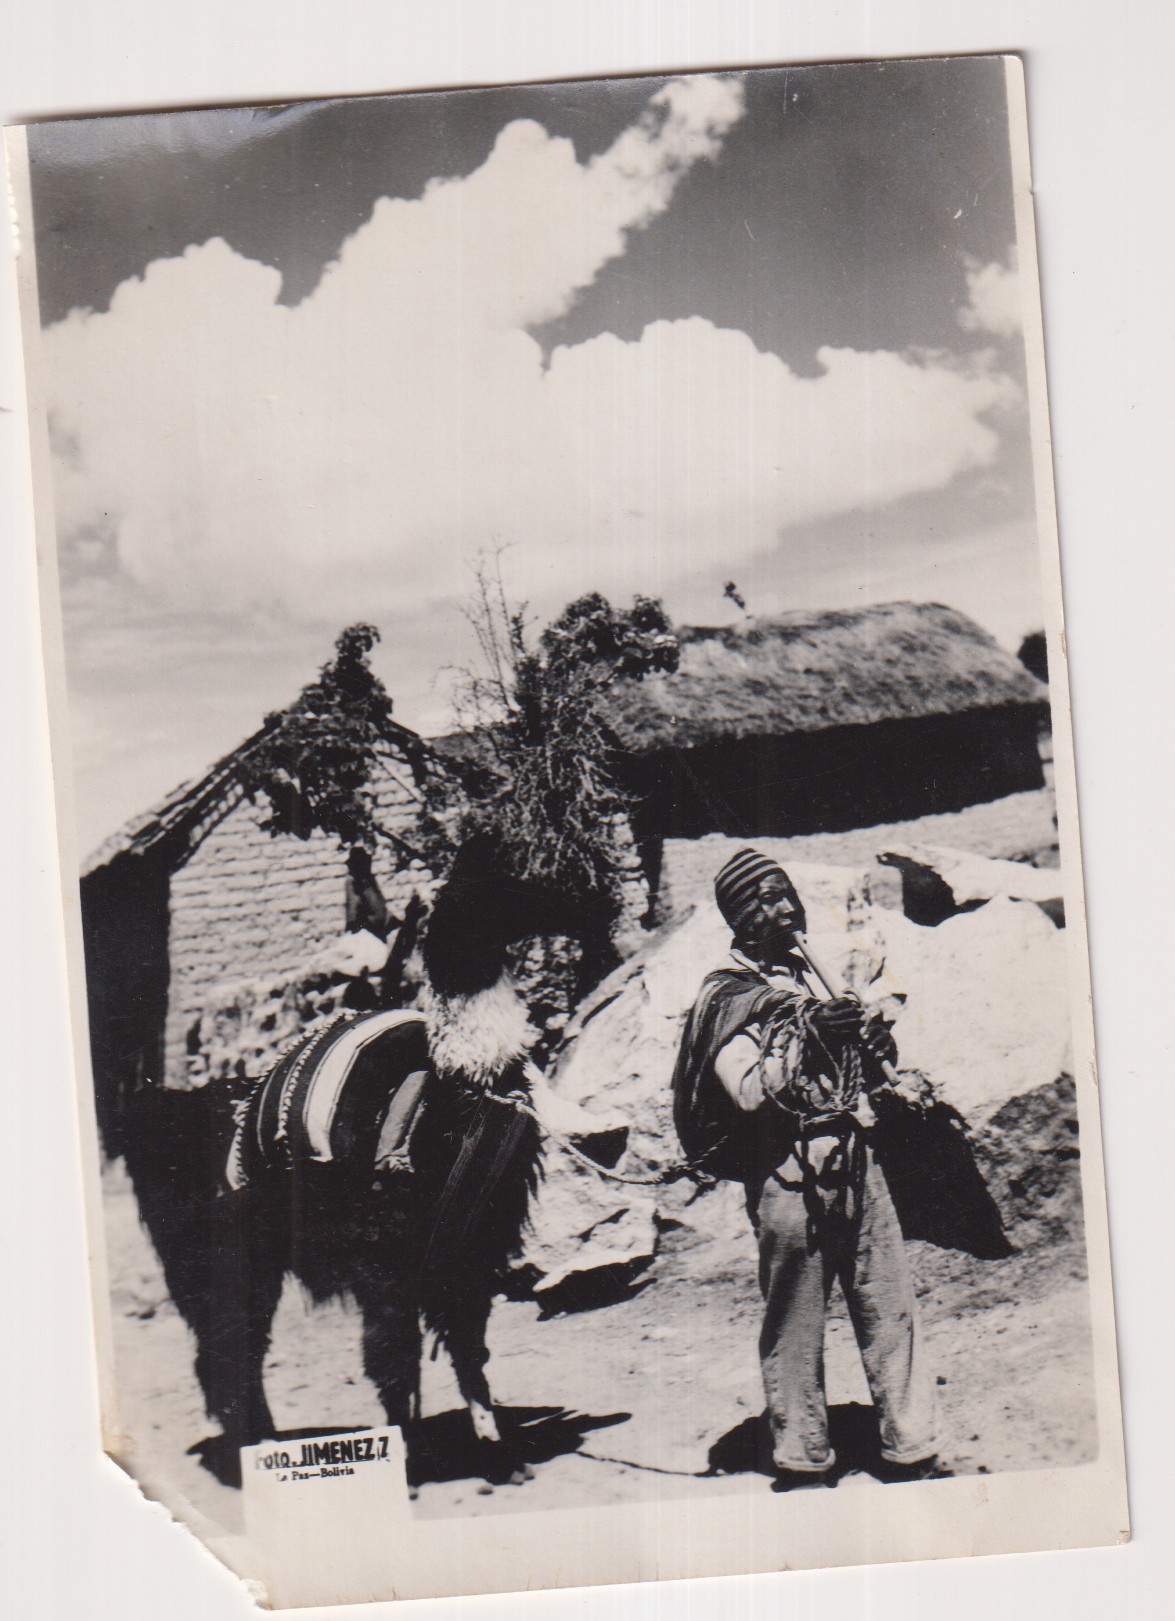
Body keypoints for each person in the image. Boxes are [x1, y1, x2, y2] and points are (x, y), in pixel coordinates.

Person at [672, 847, 940, 1487]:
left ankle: (912, 1446)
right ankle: (801, 1455)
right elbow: (745, 1092)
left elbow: (859, 1069)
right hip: (785, 1170)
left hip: (854, 1155)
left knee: (888, 1304)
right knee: (794, 1317)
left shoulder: (814, 977)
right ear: (738, 920)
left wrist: (874, 1043)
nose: (784, 908)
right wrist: (810, 1036)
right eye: (763, 900)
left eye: (785, 892)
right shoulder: (726, 996)